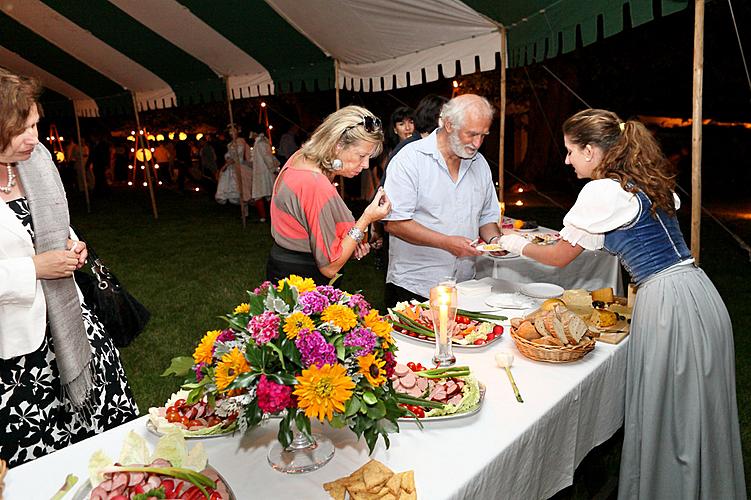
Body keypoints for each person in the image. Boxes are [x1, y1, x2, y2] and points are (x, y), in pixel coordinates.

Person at [499, 109, 746, 499]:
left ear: (593, 150)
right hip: (699, 293)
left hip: (668, 303)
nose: (566, 160)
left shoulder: (604, 192)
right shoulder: (639, 182)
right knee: (695, 408)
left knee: (671, 411)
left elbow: (561, 256)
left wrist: (510, 242)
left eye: (570, 151)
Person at [0, 69, 138, 468]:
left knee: (111, 447)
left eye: (35, 125)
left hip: (74, 327)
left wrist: (72, 245)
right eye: (20, 130)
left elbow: (51, 221)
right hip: (19, 358)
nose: (34, 139)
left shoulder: (34, 161)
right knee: (47, 467)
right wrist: (35, 269)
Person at [382, 94, 502, 303]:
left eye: (483, 135)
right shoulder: (410, 159)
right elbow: (395, 223)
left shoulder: (479, 164)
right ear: (448, 124)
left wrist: (495, 241)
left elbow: (486, 217)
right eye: (471, 134)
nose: (477, 143)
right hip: (415, 286)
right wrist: (446, 243)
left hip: (465, 286)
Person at [267, 105, 391, 287]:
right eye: (361, 155)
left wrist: (351, 241)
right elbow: (329, 267)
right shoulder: (314, 183)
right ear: (337, 145)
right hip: (303, 280)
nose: (365, 165)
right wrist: (367, 218)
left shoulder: (302, 157)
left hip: (285, 266)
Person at [215, 124, 252, 208]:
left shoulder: (240, 141)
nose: (231, 133)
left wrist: (229, 162)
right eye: (230, 132)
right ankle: (243, 210)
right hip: (231, 166)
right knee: (232, 185)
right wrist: (227, 159)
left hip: (239, 166)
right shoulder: (230, 144)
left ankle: (245, 210)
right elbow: (229, 154)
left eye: (233, 131)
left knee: (242, 188)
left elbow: (238, 154)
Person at [250, 131, 279, 222]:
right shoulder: (258, 143)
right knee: (263, 194)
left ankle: (268, 217)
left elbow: (267, 157)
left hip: (264, 172)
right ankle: (265, 216)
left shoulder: (261, 143)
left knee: (263, 194)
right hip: (260, 172)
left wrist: (273, 169)